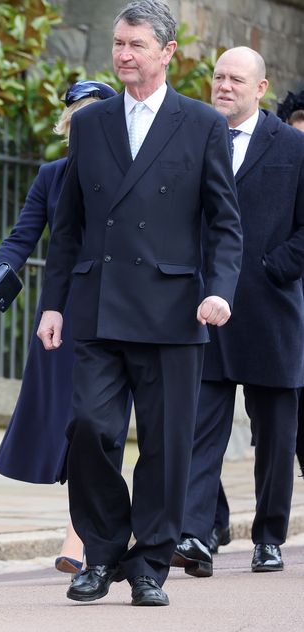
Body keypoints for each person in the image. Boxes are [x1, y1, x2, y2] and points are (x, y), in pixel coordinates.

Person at [36, 0, 243, 607]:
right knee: (90, 430)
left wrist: (219, 290)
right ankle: (101, 553)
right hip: (98, 306)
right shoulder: (93, 123)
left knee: (166, 443)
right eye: (119, 44)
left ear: (168, 53)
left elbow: (224, 223)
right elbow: (68, 225)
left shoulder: (201, 122)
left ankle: (150, 563)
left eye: (136, 46)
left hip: (175, 309)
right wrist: (53, 304)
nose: (124, 55)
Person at [0, 79, 129, 575]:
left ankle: (82, 535)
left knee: (99, 424)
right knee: (74, 423)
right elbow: (23, 236)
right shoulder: (52, 175)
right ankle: (85, 531)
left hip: (123, 315)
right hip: (61, 315)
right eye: (73, 123)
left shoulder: (134, 175)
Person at [172, 47, 304, 578]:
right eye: (218, 77)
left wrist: (274, 268)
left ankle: (270, 536)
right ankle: (197, 533)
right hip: (205, 308)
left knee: (275, 434)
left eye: (236, 79)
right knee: (201, 426)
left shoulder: (293, 147)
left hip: (272, 309)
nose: (224, 86)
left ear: (261, 87)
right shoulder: (191, 136)